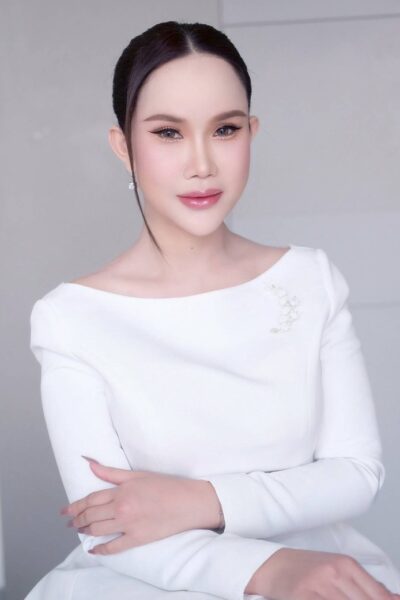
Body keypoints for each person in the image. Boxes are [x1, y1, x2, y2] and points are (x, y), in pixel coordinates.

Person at [26, 20, 400, 600]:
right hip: (149, 576)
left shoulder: (310, 280)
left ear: (252, 131)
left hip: (319, 565)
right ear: (123, 146)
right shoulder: (71, 319)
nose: (201, 163)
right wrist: (269, 570)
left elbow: (356, 473)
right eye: (168, 133)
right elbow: (107, 523)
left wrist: (204, 500)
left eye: (224, 129)